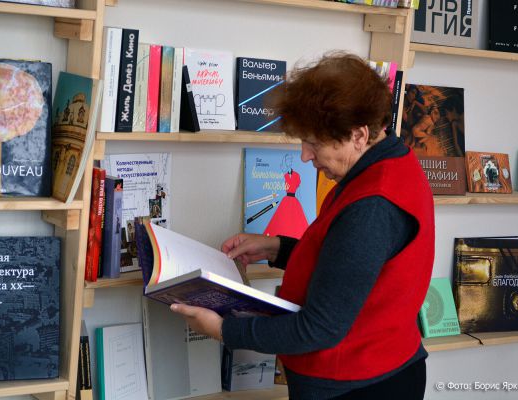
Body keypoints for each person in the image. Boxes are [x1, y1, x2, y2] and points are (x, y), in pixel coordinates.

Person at [170, 51, 435, 400]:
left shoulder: (372, 205)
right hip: (380, 370)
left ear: (359, 135)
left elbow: (318, 329)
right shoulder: (390, 162)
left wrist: (224, 330)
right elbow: (349, 265)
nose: (305, 156)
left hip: (357, 385)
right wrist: (275, 248)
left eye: (314, 143)